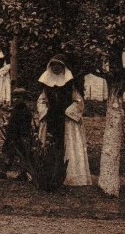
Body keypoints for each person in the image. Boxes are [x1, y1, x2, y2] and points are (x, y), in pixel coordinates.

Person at [36, 56, 91, 186]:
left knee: (67, 146)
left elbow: (78, 101)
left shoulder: (70, 83)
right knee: (50, 144)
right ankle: (50, 175)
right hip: (51, 118)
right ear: (50, 67)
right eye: (53, 65)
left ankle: (70, 177)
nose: (56, 68)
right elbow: (41, 100)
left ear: (63, 67)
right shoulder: (46, 84)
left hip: (67, 119)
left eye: (59, 65)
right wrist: (44, 111)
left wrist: (69, 111)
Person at [0, 87, 32, 181]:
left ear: (24, 99)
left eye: (18, 97)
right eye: (14, 97)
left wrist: (22, 136)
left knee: (21, 155)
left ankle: (23, 174)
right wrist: (8, 124)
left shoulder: (25, 111)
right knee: (9, 154)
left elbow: (24, 125)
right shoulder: (15, 109)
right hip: (12, 135)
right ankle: (3, 172)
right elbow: (13, 121)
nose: (15, 99)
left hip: (20, 136)